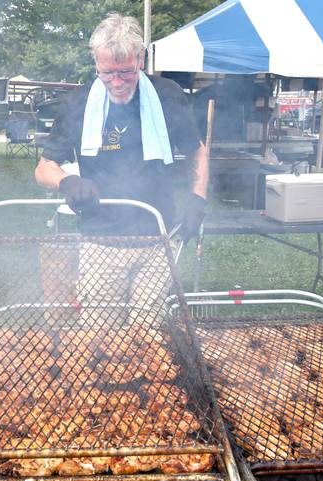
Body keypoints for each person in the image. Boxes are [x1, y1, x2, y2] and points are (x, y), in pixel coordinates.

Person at [34, 13, 209, 328]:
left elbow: (197, 149)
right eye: (107, 73)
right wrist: (67, 181)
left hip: (158, 239)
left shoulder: (167, 95)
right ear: (96, 64)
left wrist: (198, 197)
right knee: (100, 336)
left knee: (148, 332)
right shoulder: (79, 102)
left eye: (125, 72)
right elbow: (44, 167)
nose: (116, 83)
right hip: (100, 243)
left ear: (140, 60)